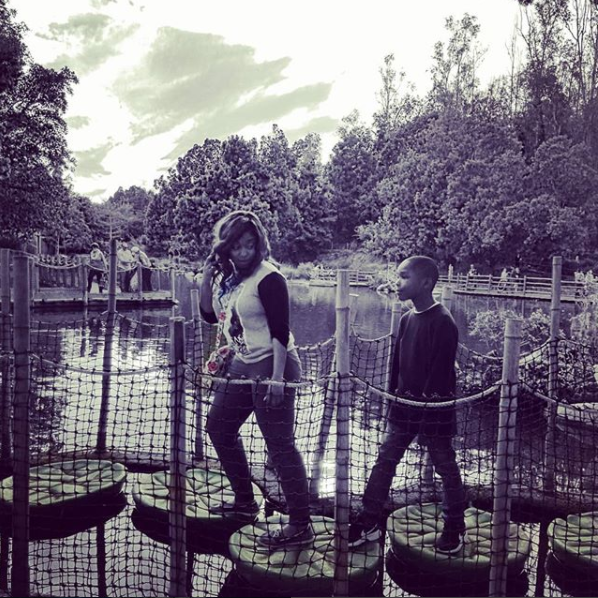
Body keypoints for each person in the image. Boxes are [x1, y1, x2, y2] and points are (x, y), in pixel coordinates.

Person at [200, 210, 313, 550]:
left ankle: (300, 525)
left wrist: (277, 379)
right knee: (218, 428)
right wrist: (206, 278)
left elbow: (280, 331)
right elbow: (209, 316)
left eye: (250, 245)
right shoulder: (230, 279)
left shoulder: (270, 278)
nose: (244, 252)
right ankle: (244, 502)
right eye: (237, 246)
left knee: (279, 445)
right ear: (226, 248)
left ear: (259, 244)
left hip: (274, 365)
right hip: (242, 363)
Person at [349, 256, 467, 554]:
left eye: (404, 277)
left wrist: (426, 412)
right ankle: (369, 521)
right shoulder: (405, 319)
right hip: (403, 408)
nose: (397, 283)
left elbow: (440, 376)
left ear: (426, 283)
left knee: (445, 466)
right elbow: (396, 367)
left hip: (435, 411)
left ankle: (455, 525)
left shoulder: (443, 322)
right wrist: (393, 401)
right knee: (385, 461)